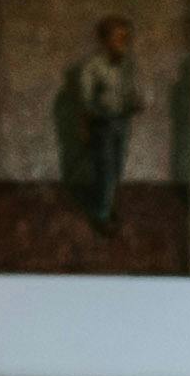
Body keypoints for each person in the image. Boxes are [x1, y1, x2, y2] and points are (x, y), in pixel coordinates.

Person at [56, 13, 146, 237]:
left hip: (122, 123)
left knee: (116, 168)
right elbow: (85, 102)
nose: (123, 43)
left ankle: (104, 206)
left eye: (126, 38)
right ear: (104, 40)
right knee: (105, 171)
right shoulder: (91, 67)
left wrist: (134, 101)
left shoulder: (127, 63)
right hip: (102, 126)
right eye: (118, 38)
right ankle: (101, 216)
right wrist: (88, 126)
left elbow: (127, 91)